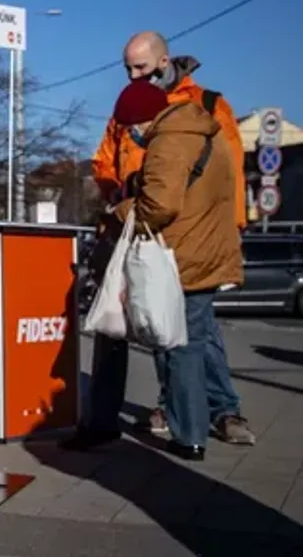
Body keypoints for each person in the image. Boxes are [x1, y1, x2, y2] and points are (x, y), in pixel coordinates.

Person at [81, 30, 254, 447]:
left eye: (140, 67)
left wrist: (229, 232)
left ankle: (219, 410)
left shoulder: (206, 105)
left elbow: (228, 177)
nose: (132, 75)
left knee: (189, 331)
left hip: (179, 233)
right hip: (137, 228)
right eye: (127, 69)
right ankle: (146, 416)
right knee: (128, 324)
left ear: (163, 62)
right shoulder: (129, 107)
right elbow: (106, 162)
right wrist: (118, 197)